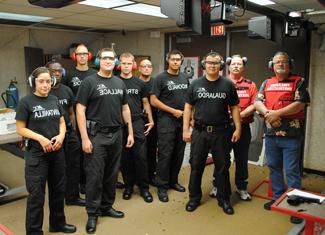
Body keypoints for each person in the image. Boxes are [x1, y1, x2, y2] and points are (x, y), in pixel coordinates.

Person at [76, 48, 134, 234]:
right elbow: (80, 110)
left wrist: (130, 132)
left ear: (116, 62)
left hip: (117, 134)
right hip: (96, 136)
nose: (109, 61)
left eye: (112, 58)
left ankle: (107, 207)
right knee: (94, 176)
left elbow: (125, 109)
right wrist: (84, 138)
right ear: (99, 61)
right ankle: (92, 213)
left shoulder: (119, 82)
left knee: (111, 174)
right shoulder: (89, 82)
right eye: (105, 58)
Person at [15, 67, 76, 234]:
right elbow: (20, 128)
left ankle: (57, 224)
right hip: (37, 155)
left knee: (58, 191)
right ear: (33, 82)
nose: (45, 85)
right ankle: (34, 231)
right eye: (41, 81)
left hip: (56, 153)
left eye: (48, 81)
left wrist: (61, 136)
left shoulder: (54, 100)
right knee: (36, 195)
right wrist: (40, 138)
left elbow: (62, 122)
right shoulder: (26, 102)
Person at [255, 51, 310, 224]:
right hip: (271, 136)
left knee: (292, 171)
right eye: (277, 62)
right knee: (274, 168)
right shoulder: (266, 82)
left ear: (290, 64)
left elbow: (299, 104)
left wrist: (276, 114)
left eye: (284, 62)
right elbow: (257, 102)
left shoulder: (298, 81)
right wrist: (267, 114)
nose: (280, 64)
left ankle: (295, 205)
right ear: (272, 65)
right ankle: (278, 198)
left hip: (291, 137)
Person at [183, 51, 241, 215]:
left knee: (222, 167)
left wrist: (238, 127)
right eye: (209, 62)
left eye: (216, 63)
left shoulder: (227, 84)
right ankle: (194, 198)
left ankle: (224, 199)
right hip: (200, 132)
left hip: (221, 132)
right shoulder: (195, 84)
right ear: (204, 65)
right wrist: (186, 129)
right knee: (196, 166)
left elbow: (235, 107)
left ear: (221, 66)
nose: (212, 65)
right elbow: (188, 107)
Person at [209, 55, 258, 201]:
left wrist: (238, 116)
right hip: (223, 128)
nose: (236, 66)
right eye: (234, 64)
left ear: (243, 67)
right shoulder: (220, 82)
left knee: (242, 159)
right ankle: (217, 185)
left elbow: (255, 103)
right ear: (229, 66)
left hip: (243, 127)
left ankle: (241, 187)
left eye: (239, 64)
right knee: (221, 158)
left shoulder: (251, 85)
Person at [150, 49, 189, 202]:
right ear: (168, 60)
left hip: (182, 121)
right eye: (172, 59)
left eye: (178, 60)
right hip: (166, 121)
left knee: (179, 153)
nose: (175, 62)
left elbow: (188, 102)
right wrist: (173, 111)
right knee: (165, 154)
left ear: (181, 61)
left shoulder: (184, 78)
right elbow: (153, 100)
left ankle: (173, 181)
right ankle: (162, 186)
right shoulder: (160, 78)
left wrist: (189, 118)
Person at [47, 61, 85, 207]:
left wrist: (74, 131)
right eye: (53, 71)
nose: (57, 73)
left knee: (74, 166)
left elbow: (71, 112)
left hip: (70, 134)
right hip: (53, 136)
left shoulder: (67, 90)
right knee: (57, 169)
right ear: (48, 72)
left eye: (59, 71)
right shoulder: (45, 91)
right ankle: (58, 197)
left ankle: (72, 197)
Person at [118, 53, 154, 203]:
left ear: (133, 65)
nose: (126, 66)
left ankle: (144, 188)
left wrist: (151, 120)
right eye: (124, 63)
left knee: (140, 156)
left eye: (129, 63)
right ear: (119, 64)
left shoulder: (140, 83)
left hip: (138, 121)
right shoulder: (114, 82)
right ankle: (128, 187)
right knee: (125, 158)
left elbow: (145, 103)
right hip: (120, 124)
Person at [63, 44, 97, 194]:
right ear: (74, 57)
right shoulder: (68, 75)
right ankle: (82, 182)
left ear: (89, 56)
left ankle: (94, 179)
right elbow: (64, 97)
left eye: (84, 54)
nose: (82, 57)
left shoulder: (95, 74)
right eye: (79, 54)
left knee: (95, 151)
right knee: (79, 153)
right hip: (76, 119)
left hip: (95, 117)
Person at [138, 59, 158, 186]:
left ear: (151, 69)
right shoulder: (135, 83)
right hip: (138, 121)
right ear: (139, 68)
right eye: (143, 66)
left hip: (154, 120)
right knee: (138, 151)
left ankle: (151, 176)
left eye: (149, 66)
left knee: (151, 149)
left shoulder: (156, 83)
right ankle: (138, 177)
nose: (146, 68)